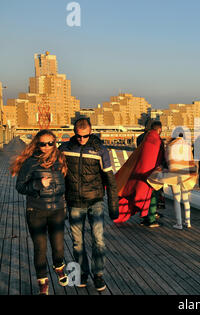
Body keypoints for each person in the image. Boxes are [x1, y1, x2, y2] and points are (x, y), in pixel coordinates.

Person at [59, 118, 119, 292]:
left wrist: (113, 206)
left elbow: (110, 180)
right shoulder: (64, 150)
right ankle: (83, 273)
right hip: (74, 201)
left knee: (98, 240)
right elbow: (57, 174)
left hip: (95, 202)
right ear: (74, 133)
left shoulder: (101, 150)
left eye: (85, 136)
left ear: (90, 132)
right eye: (78, 136)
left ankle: (98, 275)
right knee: (77, 243)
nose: (82, 140)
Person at [11, 130, 69, 295]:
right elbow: (20, 187)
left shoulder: (61, 159)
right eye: (43, 143)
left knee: (58, 247)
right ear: (37, 144)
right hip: (36, 211)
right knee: (40, 248)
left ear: (54, 142)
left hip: (57, 210)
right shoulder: (30, 163)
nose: (47, 147)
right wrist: (38, 185)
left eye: (50, 143)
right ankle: (42, 281)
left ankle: (58, 266)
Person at [114, 121, 165, 228]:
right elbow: (160, 157)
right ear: (159, 129)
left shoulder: (144, 138)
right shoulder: (158, 141)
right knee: (151, 196)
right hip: (151, 173)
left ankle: (144, 218)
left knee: (143, 194)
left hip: (140, 171)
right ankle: (151, 220)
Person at [148, 132, 198, 230]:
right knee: (186, 198)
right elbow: (191, 160)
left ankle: (179, 224)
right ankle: (188, 222)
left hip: (174, 175)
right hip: (186, 174)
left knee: (177, 199)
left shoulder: (170, 146)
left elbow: (167, 160)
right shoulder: (188, 146)